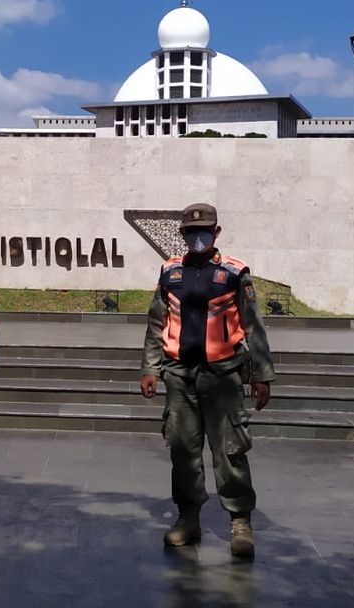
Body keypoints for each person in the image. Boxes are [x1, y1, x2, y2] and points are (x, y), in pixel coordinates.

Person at [140, 203, 276, 559]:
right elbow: (157, 324)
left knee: (230, 451)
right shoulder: (170, 272)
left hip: (224, 376)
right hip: (180, 378)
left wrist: (262, 376)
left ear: (216, 233)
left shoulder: (234, 273)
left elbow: (253, 326)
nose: (197, 238)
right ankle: (188, 518)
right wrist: (150, 368)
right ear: (183, 235)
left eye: (204, 232)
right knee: (183, 452)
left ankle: (240, 521)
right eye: (190, 232)